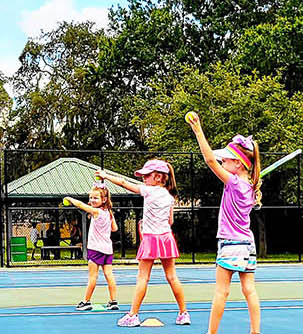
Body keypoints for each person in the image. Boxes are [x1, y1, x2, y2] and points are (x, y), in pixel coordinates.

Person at [185, 112, 266, 334]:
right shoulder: (249, 185)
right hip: (247, 244)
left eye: (227, 159)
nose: (222, 161)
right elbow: (217, 160)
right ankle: (255, 331)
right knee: (249, 289)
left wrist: (198, 130)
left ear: (238, 164)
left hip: (231, 243)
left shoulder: (234, 183)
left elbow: (209, 159)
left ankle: (211, 333)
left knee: (221, 291)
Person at [98, 159, 191, 326]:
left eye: (146, 176)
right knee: (172, 277)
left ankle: (133, 315)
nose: (143, 178)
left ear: (158, 177)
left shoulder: (149, 191)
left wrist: (106, 176)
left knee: (142, 278)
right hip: (166, 238)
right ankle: (184, 313)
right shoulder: (170, 198)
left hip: (151, 238)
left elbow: (124, 183)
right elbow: (170, 221)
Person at [62, 182, 120, 311]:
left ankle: (86, 301)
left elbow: (81, 205)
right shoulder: (108, 212)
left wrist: (70, 199)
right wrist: (110, 216)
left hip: (95, 249)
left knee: (93, 276)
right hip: (107, 249)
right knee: (109, 275)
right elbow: (114, 228)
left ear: (104, 199)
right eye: (91, 198)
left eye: (95, 198)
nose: (92, 200)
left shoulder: (96, 211)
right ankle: (113, 301)